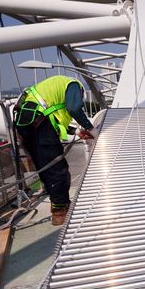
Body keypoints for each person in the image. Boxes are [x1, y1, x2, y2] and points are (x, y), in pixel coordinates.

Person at [14, 75, 95, 226]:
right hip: (39, 123)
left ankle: (58, 204)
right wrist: (90, 127)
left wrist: (76, 132)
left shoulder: (55, 88)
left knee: (46, 168)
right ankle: (60, 212)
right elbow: (73, 108)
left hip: (28, 124)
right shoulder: (74, 85)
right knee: (58, 169)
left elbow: (53, 114)